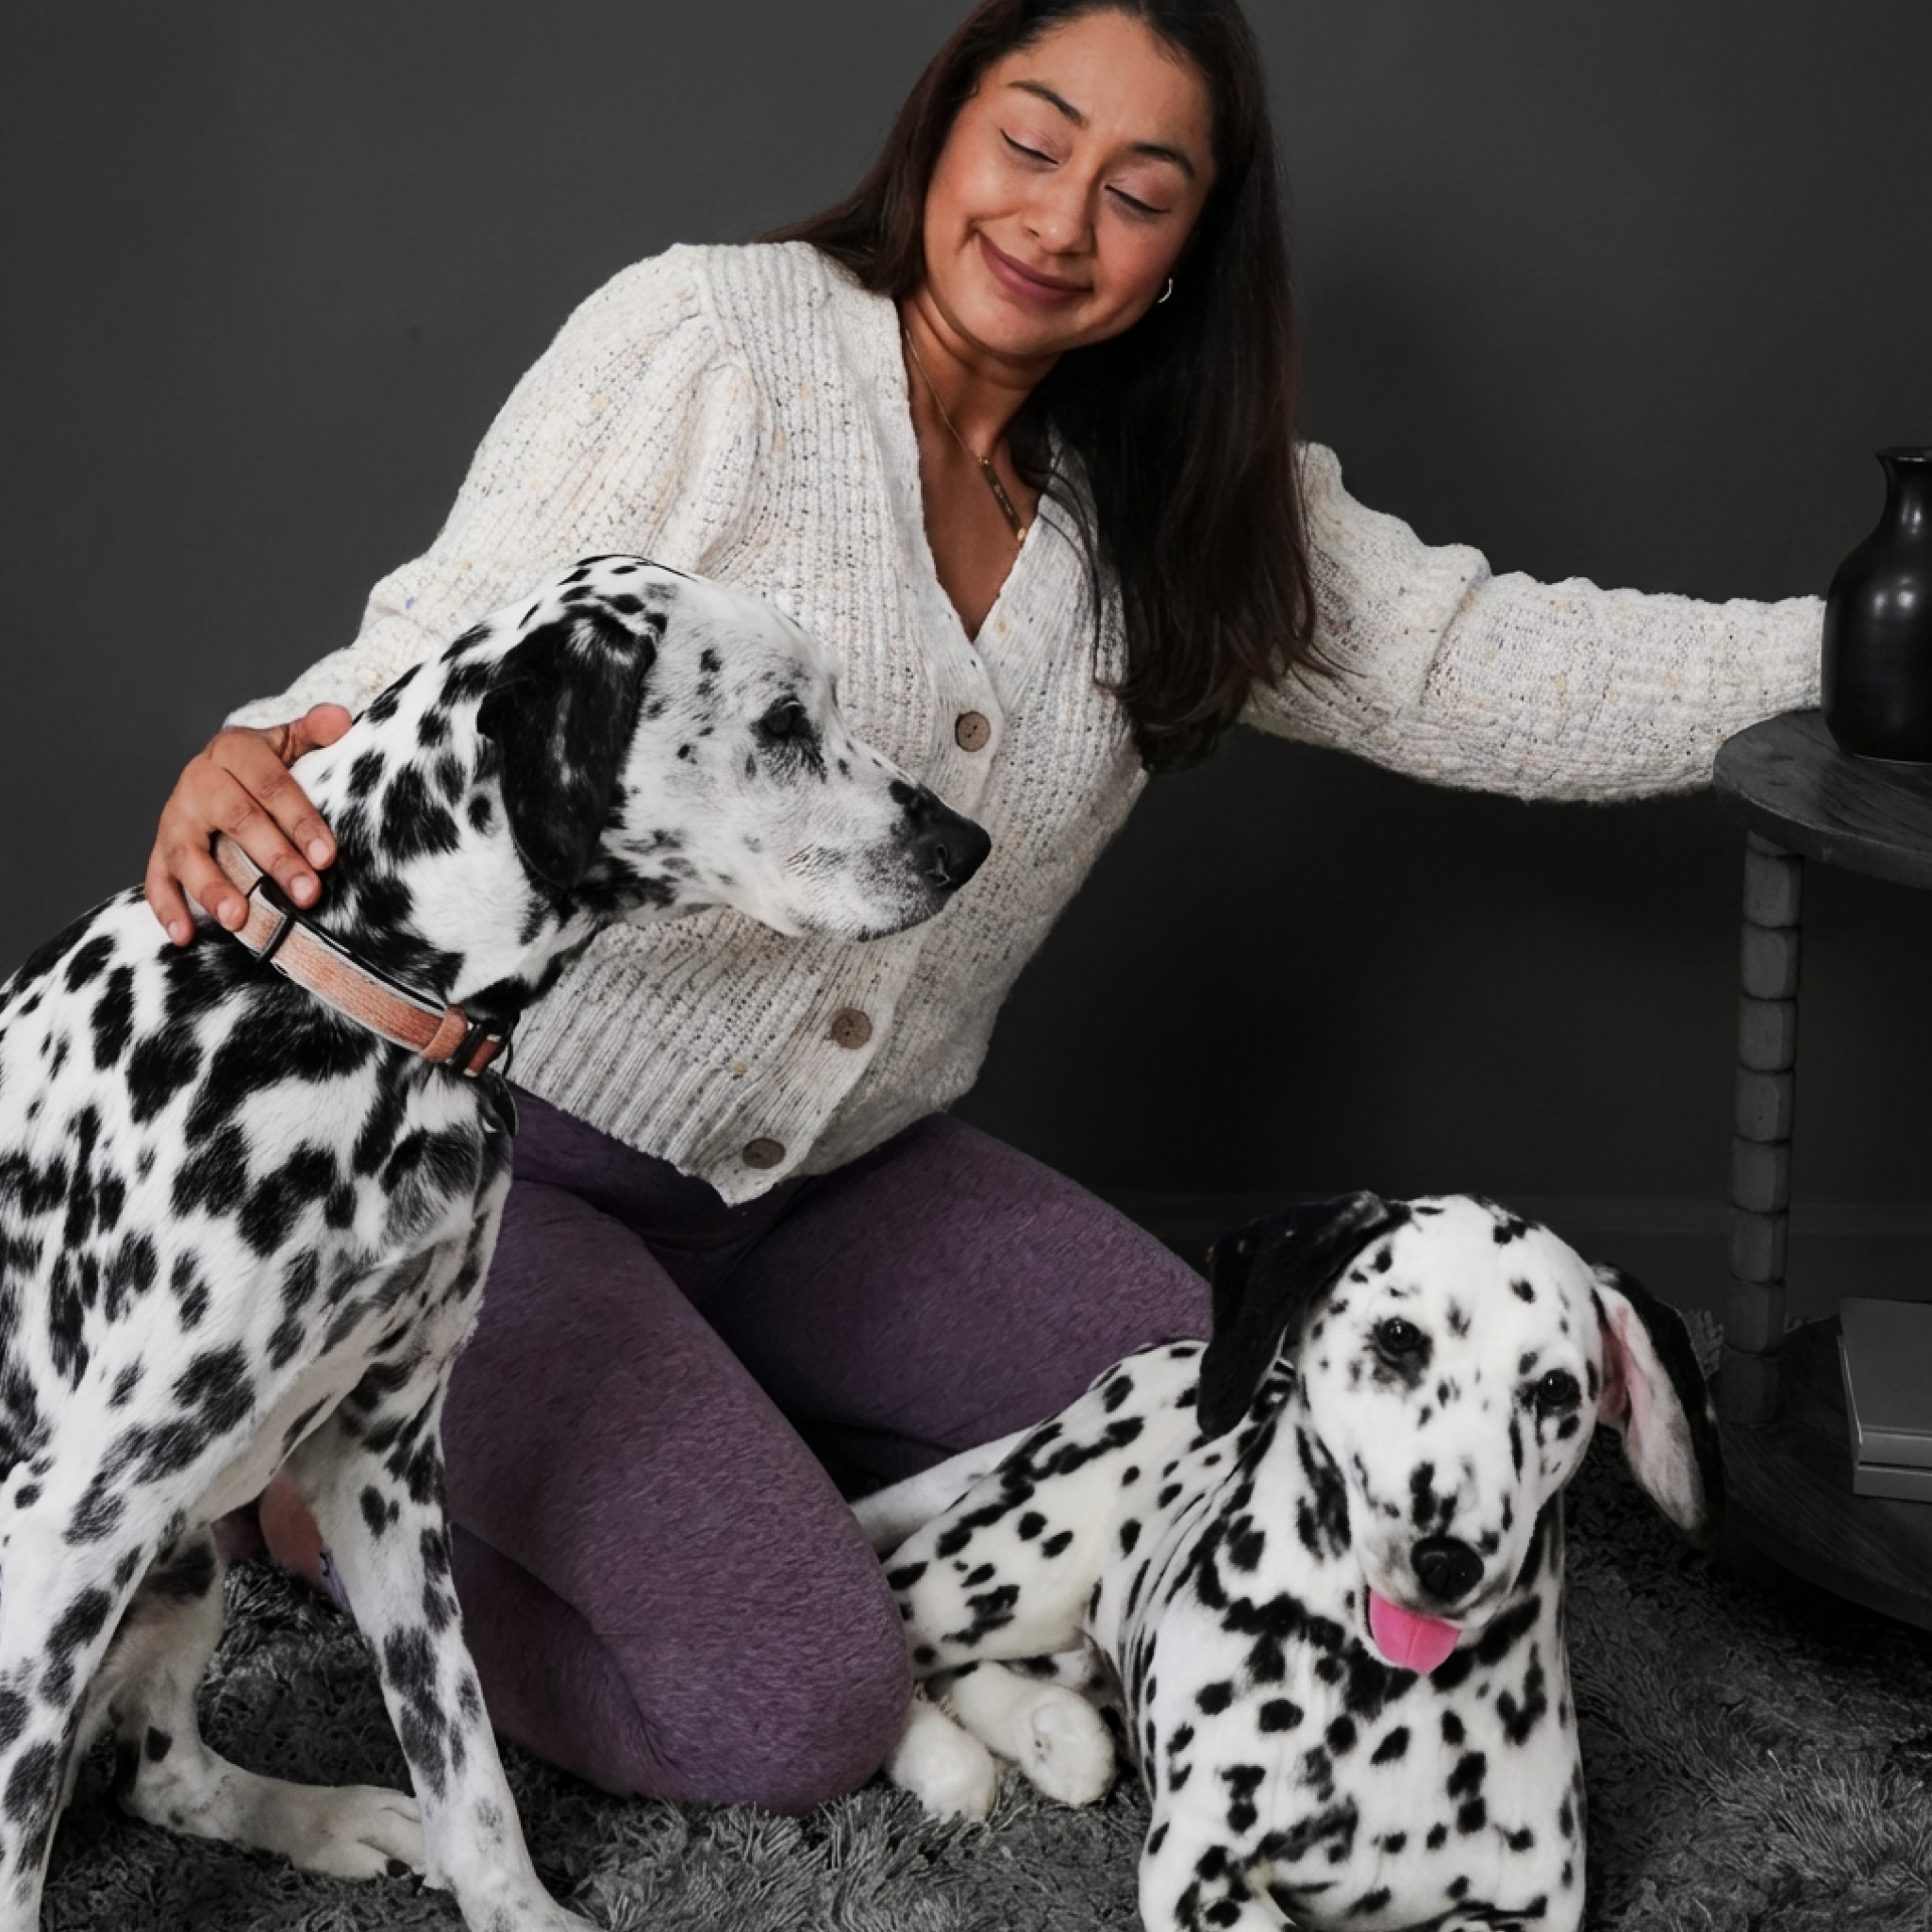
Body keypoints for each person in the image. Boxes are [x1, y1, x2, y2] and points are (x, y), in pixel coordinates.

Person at [145, 0, 1818, 1814]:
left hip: (841, 1186)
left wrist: (1874, 655)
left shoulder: (1185, 506)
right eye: (1031, 143)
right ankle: (320, 1505)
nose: (1059, 220)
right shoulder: (714, 342)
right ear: (943, 127)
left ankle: (725, 1435)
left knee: (1246, 1451)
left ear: (1196, 243)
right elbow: (443, 644)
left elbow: (1498, 664)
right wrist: (252, 749)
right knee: (791, 1704)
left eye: (1139, 190)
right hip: (504, 1167)